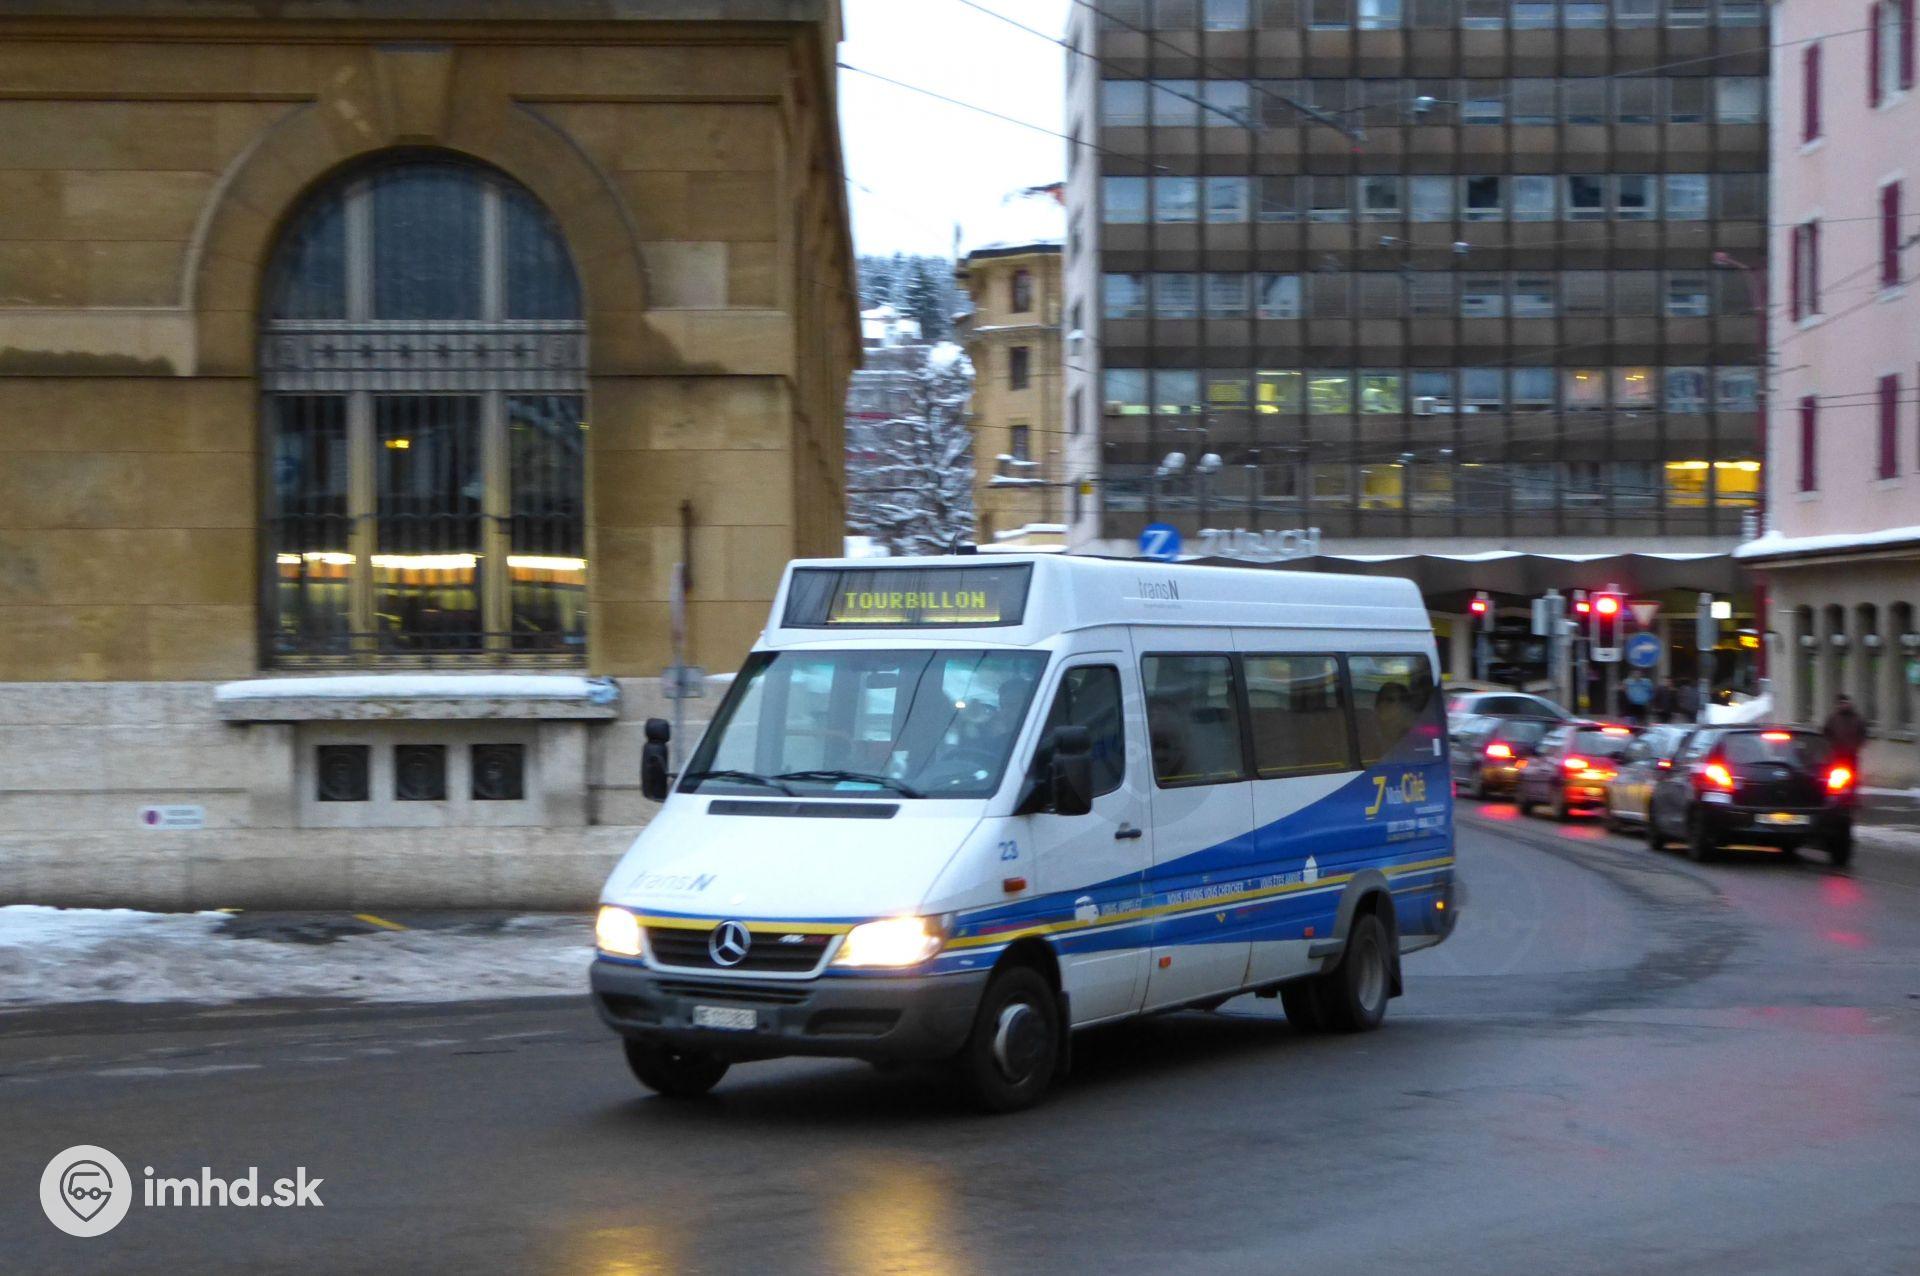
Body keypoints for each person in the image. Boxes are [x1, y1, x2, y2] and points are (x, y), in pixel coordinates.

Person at [1823, 693, 1869, 770]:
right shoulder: (1833, 718)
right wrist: (1832, 744)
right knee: (1836, 771)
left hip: (1851, 753)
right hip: (1837, 753)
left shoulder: (1857, 718)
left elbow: (1863, 733)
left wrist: (1857, 745)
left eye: (1845, 703)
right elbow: (1826, 732)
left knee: (1852, 771)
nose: (1844, 705)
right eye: (1841, 703)